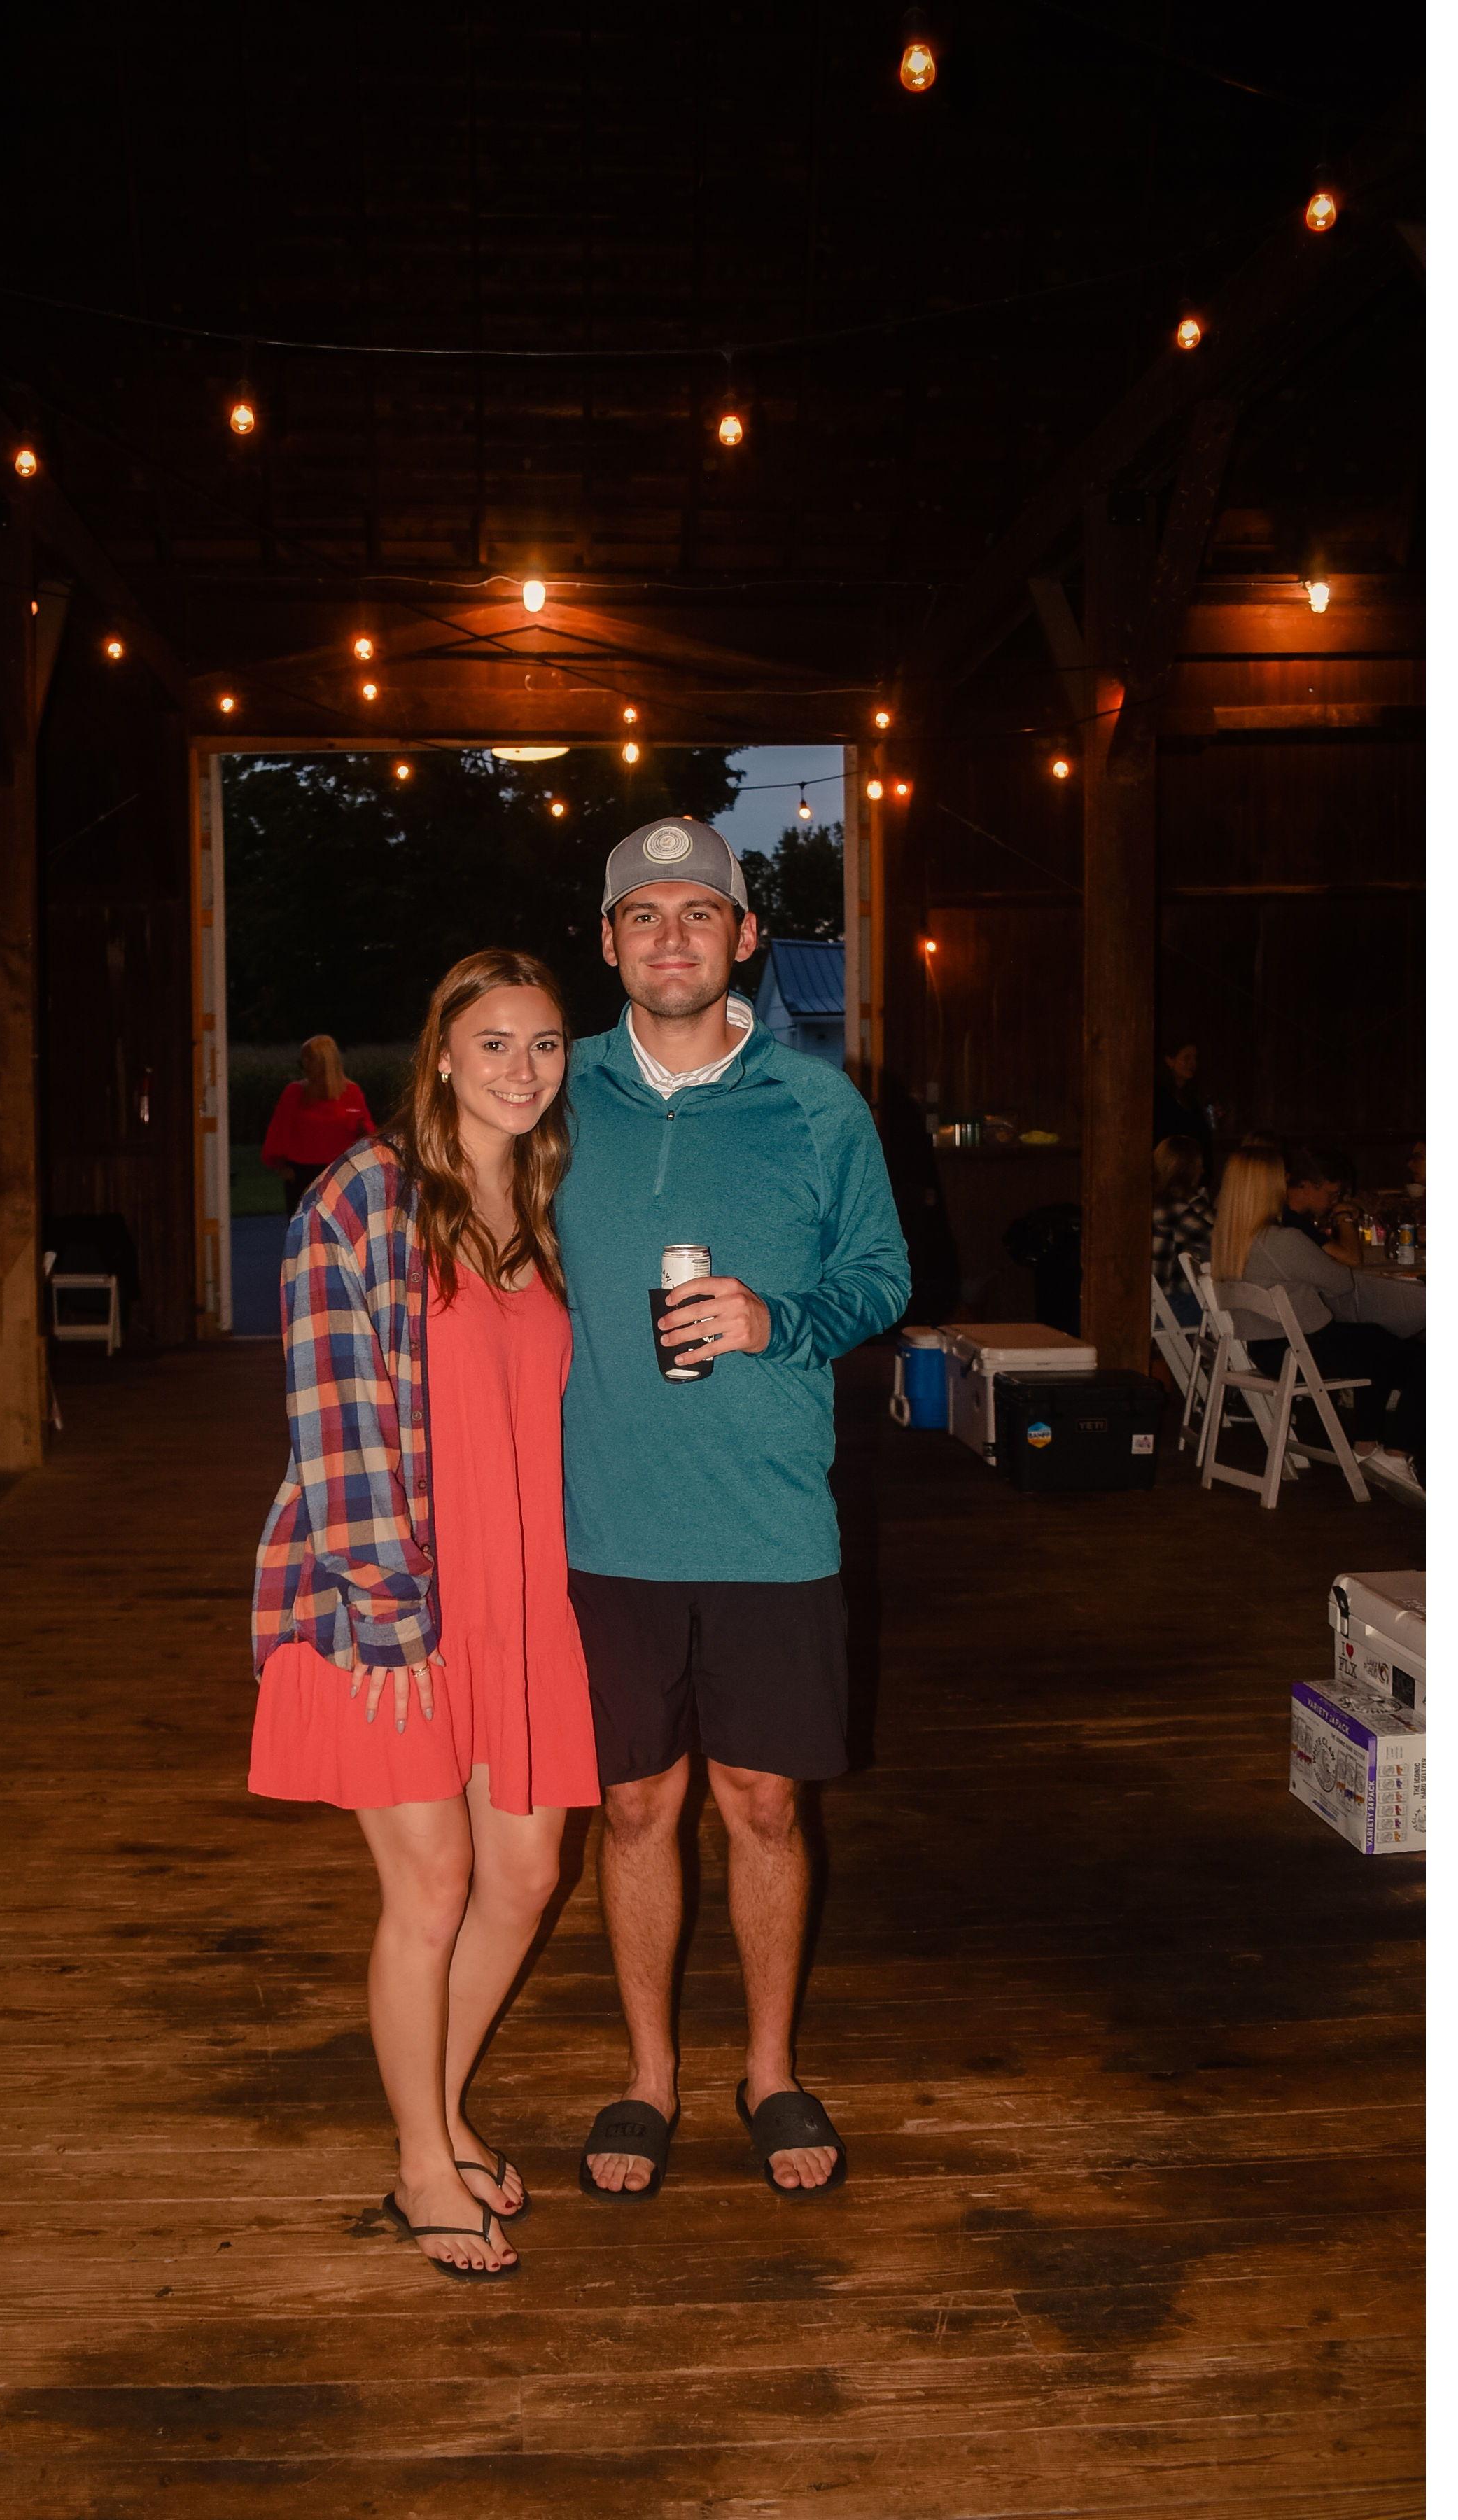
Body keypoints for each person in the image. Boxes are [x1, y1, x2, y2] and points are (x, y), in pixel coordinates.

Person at [557, 816, 909, 2203]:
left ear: (745, 936)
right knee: (634, 1808)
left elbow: (882, 1275)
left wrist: (782, 1317)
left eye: (698, 912)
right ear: (608, 943)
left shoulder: (819, 1106)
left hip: (771, 1520)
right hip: (605, 1522)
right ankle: (649, 2076)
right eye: (643, 915)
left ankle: (769, 2070)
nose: (672, 937)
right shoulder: (555, 1093)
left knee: (763, 1804)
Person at [250, 950, 601, 2282]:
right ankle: (418, 2166)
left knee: (524, 1876)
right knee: (435, 1882)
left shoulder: (555, 1200)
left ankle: (440, 2117)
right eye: (494, 1043)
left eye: (545, 1045)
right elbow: (332, 1422)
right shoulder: (361, 1198)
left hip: (527, 1599)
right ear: (441, 1053)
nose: (523, 1070)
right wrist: (388, 1610)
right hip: (389, 1598)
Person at [1210, 1142, 1423, 1491]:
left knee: (1378, 1340)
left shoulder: (1226, 1237)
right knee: (1413, 1355)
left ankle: (1367, 1447)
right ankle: (1396, 1453)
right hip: (1304, 1350)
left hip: (1267, 1349)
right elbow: (1341, 1283)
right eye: (1281, 1178)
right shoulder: (1282, 1239)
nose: (1287, 1182)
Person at [262, 1035, 376, 1215]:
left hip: (340, 1173)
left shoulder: (351, 1092)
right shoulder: (294, 1093)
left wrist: (364, 1132)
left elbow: (366, 1131)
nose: (305, 1064)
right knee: (303, 1225)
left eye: (310, 1058)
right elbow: (279, 1131)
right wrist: (281, 1166)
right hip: (302, 1175)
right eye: (304, 1059)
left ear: (326, 1061)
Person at [1151, 1135, 1214, 1321]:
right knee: (1236, 1310)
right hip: (1168, 1304)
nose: (1202, 1171)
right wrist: (1197, 1200)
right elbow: (1220, 1241)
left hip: (1155, 1301)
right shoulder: (1172, 1208)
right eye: (1199, 1165)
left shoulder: (1154, 1201)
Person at [1153, 1041, 1211, 1158]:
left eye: (1195, 1058)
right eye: (1187, 1058)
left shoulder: (1192, 1098)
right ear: (1170, 1061)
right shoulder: (1159, 1097)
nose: (1193, 1063)